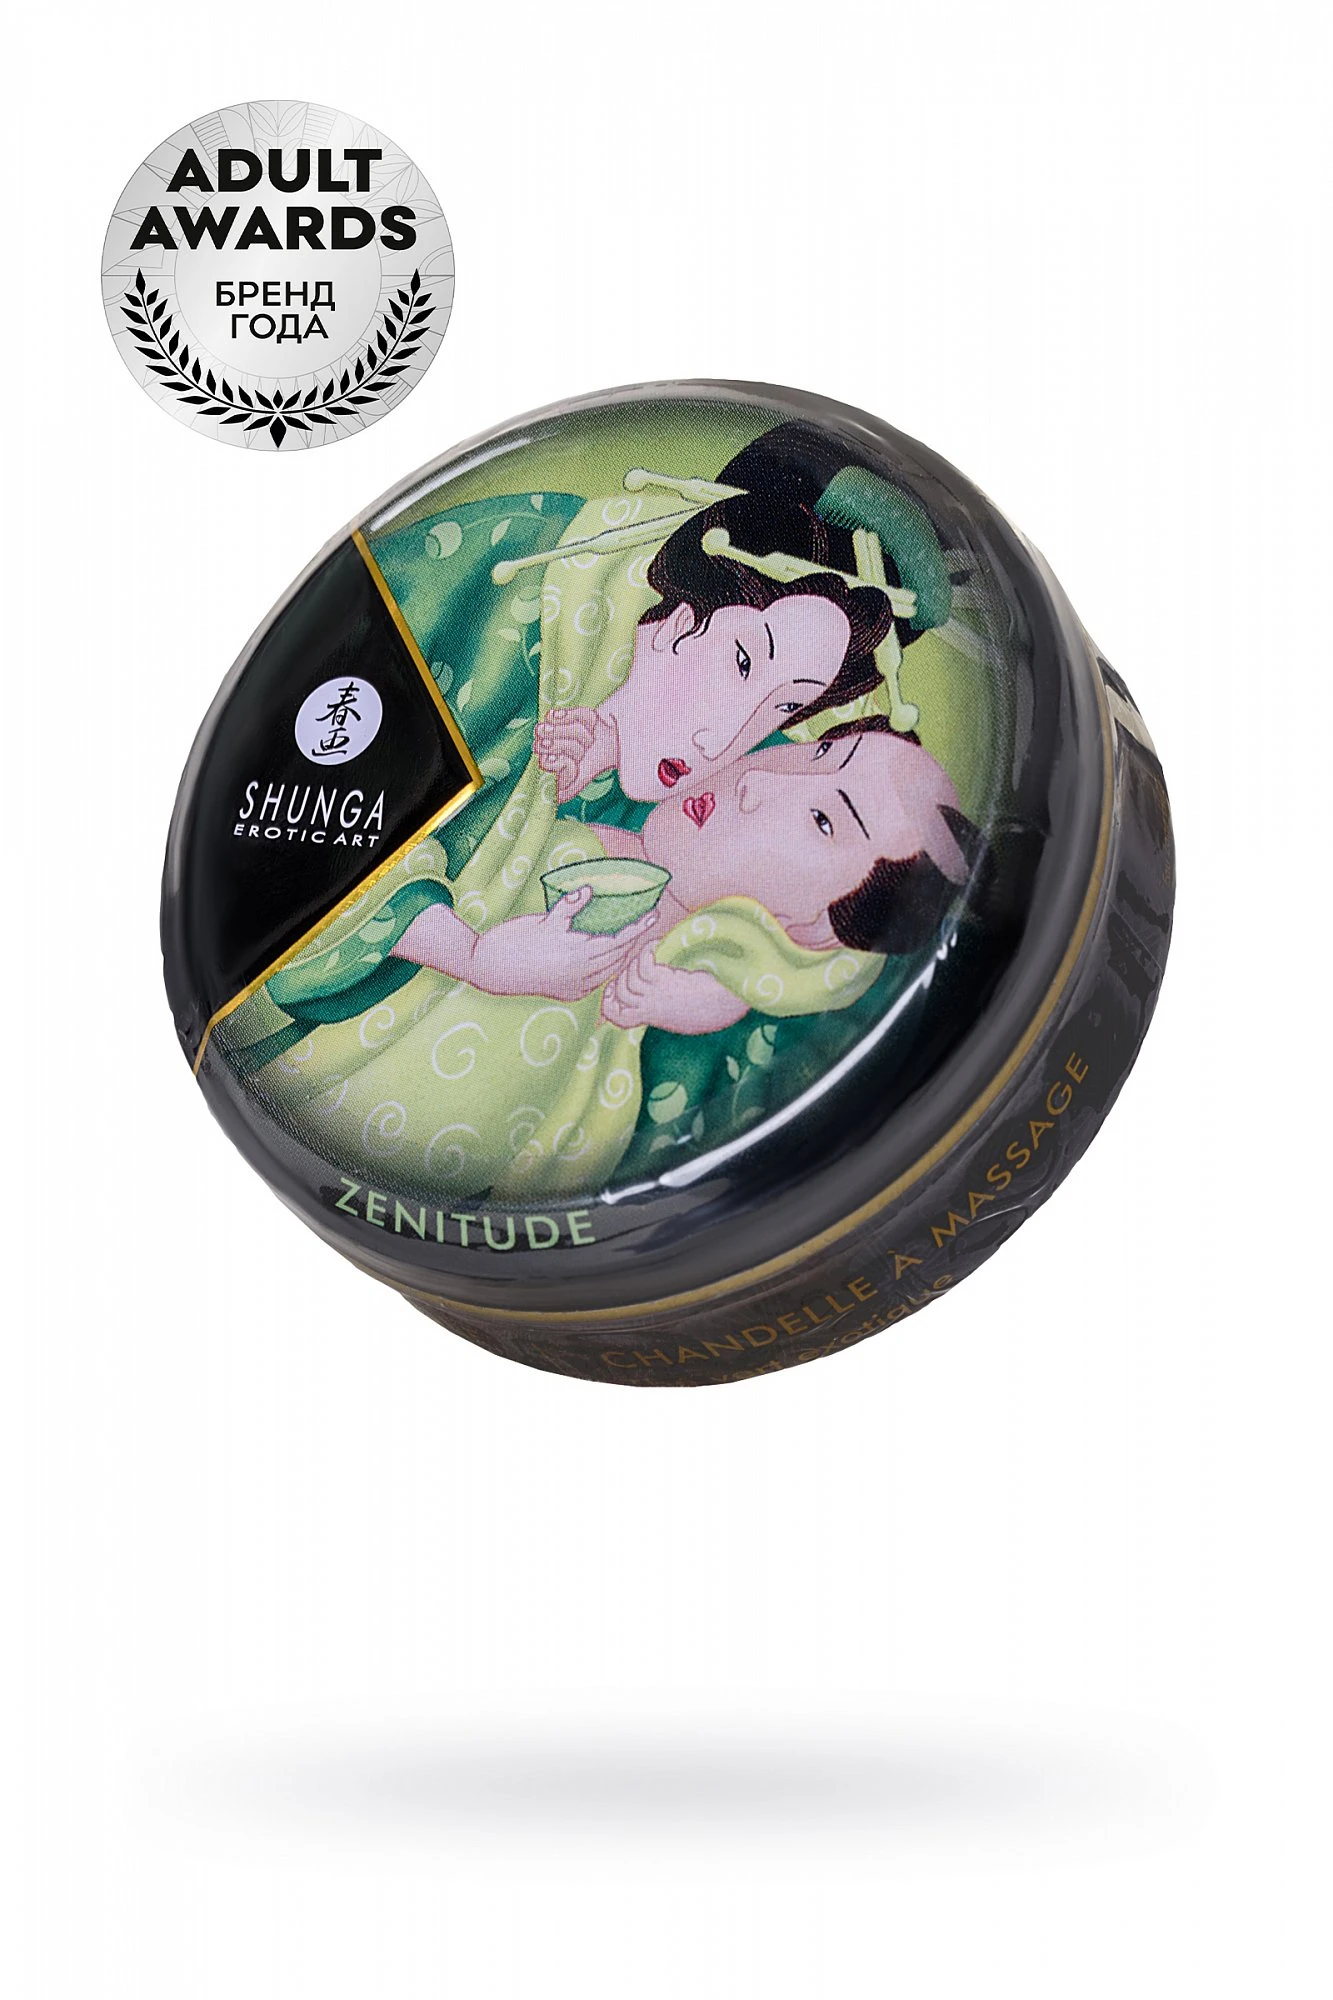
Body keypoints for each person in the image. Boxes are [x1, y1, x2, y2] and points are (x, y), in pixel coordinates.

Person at [231, 720, 977, 1203]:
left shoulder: (716, 957)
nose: (759, 779)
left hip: (486, 1145)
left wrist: (665, 995)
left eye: (822, 820)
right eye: (816, 752)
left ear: (817, 930)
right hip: (353, 1076)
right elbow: (357, 886)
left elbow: (721, 996)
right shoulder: (566, 814)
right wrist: (476, 956)